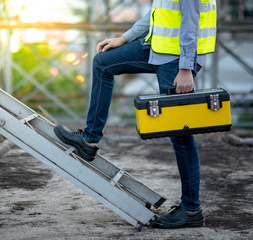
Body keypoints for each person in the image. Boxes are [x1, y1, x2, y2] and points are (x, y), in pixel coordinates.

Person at [54, 0, 217, 229]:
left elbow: (191, 24)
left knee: (180, 134)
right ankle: (89, 140)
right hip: (155, 49)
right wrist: (123, 39)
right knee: (102, 63)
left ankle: (191, 209)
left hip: (176, 61)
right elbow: (157, 14)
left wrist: (186, 69)